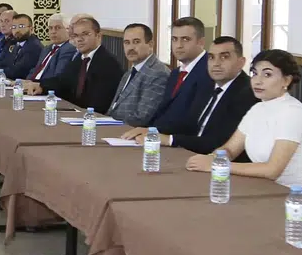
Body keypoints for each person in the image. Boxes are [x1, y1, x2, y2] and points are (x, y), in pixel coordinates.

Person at [185, 49, 302, 197]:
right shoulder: (257, 109)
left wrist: (217, 166)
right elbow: (230, 149)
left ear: (286, 80)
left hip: (300, 196)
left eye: (267, 74)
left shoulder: (293, 113)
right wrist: (212, 158)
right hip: (265, 187)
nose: (257, 81)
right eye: (254, 73)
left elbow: (272, 170)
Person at [121, 36, 256, 153]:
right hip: (190, 152)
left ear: (241, 62)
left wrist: (170, 139)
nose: (216, 64)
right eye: (211, 57)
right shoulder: (207, 84)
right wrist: (152, 131)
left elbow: (217, 142)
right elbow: (187, 123)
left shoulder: (247, 94)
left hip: (218, 162)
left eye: (224, 57)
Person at [23, 15, 123, 112]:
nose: (79, 39)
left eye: (85, 34)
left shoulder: (108, 64)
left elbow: (99, 105)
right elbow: (63, 81)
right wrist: (41, 86)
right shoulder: (80, 58)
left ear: (98, 36)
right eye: (76, 35)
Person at [148, 17, 214, 134]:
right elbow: (164, 112)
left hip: (182, 140)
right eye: (174, 39)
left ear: (201, 42)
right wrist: (148, 131)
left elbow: (191, 120)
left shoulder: (210, 72)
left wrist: (153, 133)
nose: (178, 45)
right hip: (159, 135)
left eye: (185, 39)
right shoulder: (175, 73)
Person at [105, 23, 171, 127]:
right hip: (114, 127)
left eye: (136, 42)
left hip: (132, 132)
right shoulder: (130, 72)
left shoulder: (158, 73)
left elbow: (141, 118)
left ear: (150, 44)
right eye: (127, 42)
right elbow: (114, 108)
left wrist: (108, 124)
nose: (131, 47)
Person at [0, 13, 42, 81]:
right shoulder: (16, 43)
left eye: (21, 26)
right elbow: (4, 63)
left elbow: (17, 72)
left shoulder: (33, 46)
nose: (17, 30)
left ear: (31, 29)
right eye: (14, 27)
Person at [26, 14, 76, 81]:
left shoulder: (69, 48)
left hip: (44, 85)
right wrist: (25, 82)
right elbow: (36, 70)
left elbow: (57, 76)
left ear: (68, 30)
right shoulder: (46, 49)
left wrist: (35, 84)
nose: (53, 32)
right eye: (50, 28)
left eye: (57, 28)